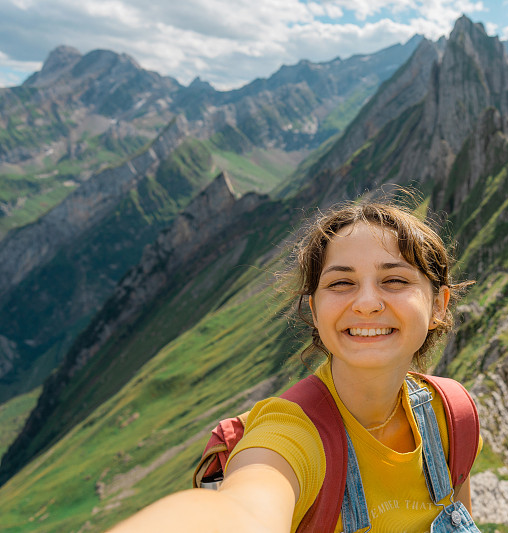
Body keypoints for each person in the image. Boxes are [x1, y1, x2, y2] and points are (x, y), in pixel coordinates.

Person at [111, 200, 481, 532]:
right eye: (341, 283)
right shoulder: (288, 433)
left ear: (438, 306)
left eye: (395, 280)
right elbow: (245, 507)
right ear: (314, 310)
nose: (367, 302)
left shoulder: (452, 416)